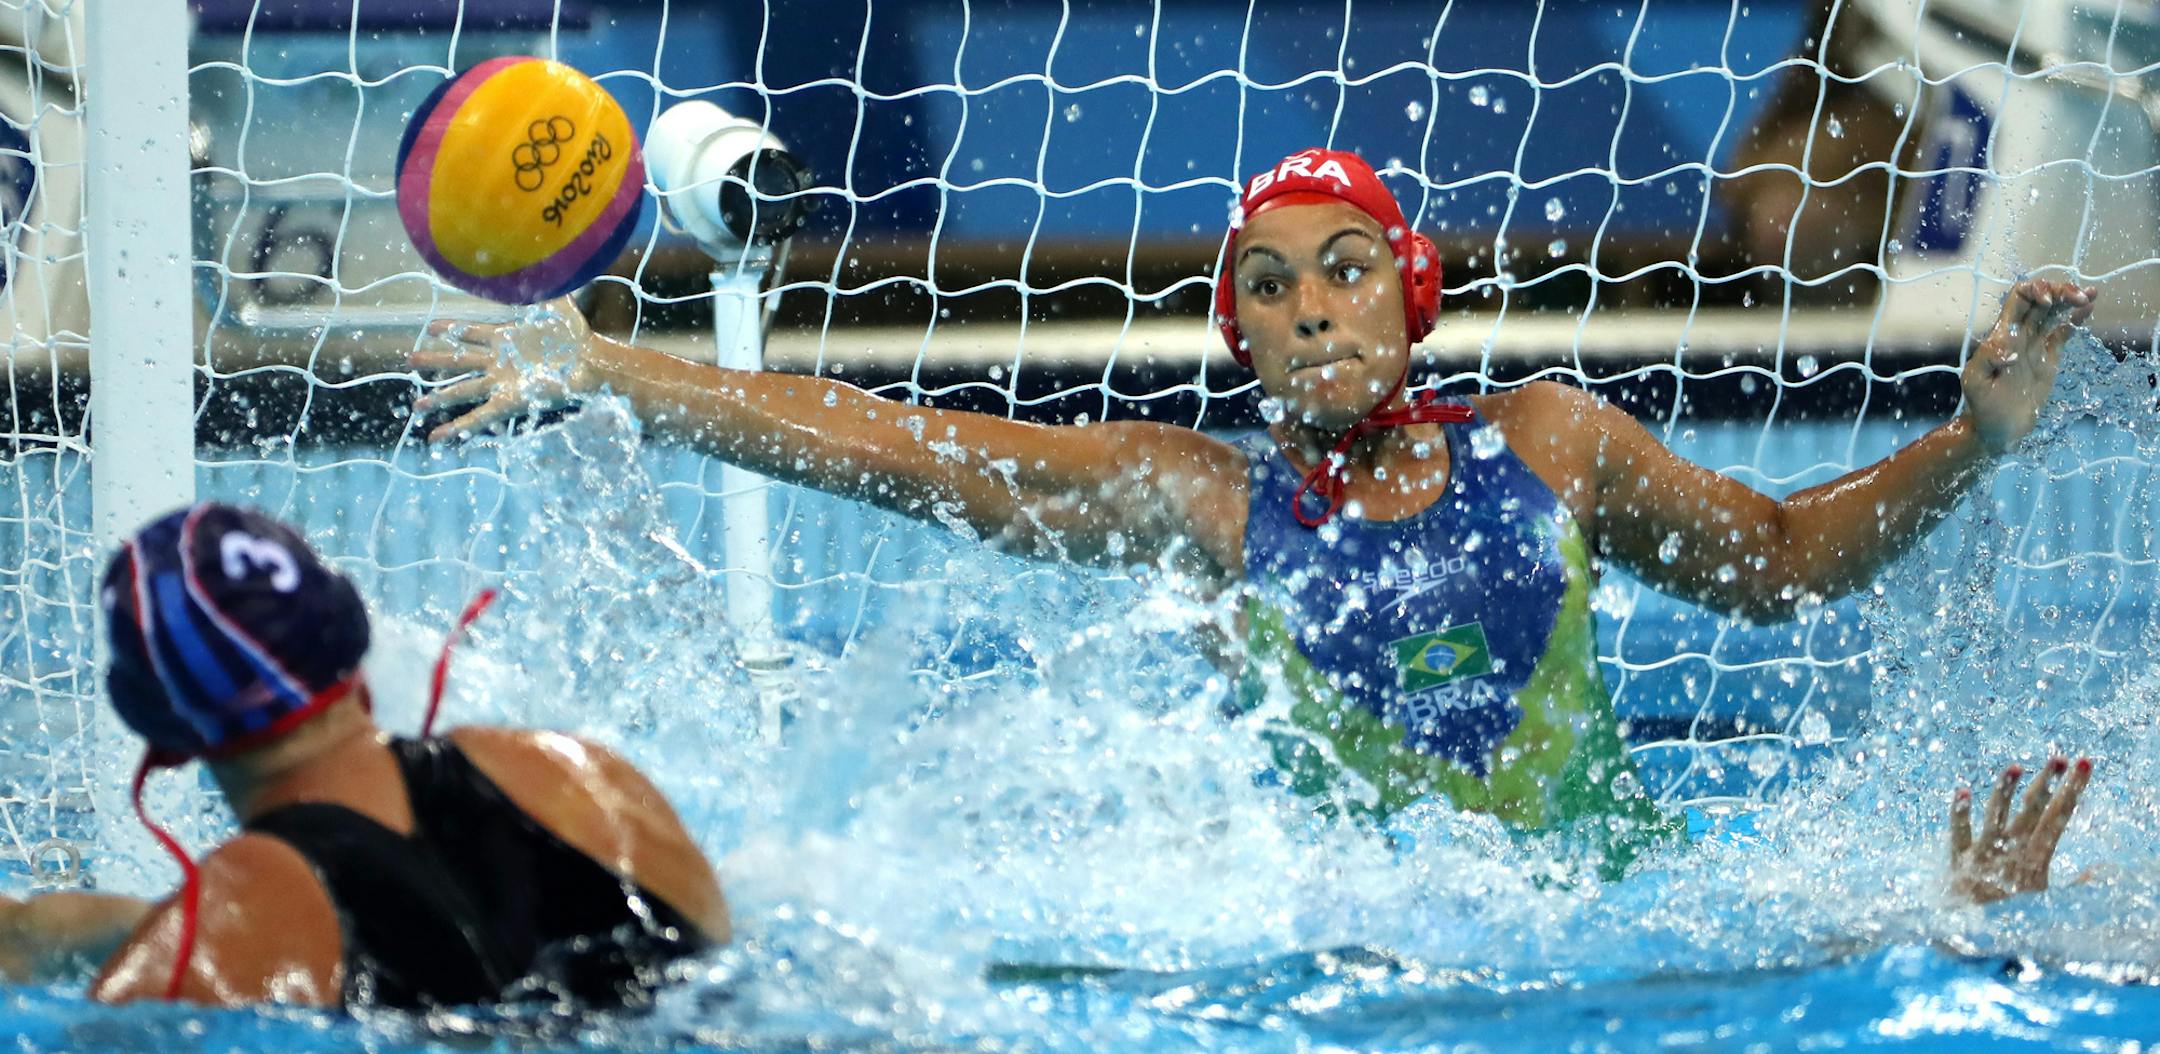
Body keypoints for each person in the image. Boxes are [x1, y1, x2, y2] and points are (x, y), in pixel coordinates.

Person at [412, 147, 2099, 881]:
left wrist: (1974, 438)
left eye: (1345, 271)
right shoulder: (1206, 501)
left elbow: (1786, 566)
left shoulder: (1554, 441)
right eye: (1271, 287)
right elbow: (901, 447)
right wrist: (608, 359)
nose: (1308, 309)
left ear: (1411, 294)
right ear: (1244, 335)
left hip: (1601, 916)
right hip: (1368, 935)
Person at [0, 502, 727, 1008]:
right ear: (353, 644)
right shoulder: (584, 778)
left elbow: (351, 911)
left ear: (167, 739)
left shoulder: (196, 955)